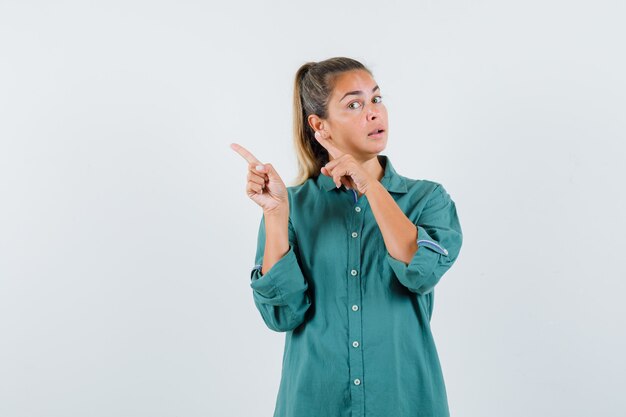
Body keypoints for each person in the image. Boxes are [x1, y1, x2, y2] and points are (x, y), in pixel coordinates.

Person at [230, 57, 463, 417]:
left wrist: (370, 185)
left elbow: (420, 271)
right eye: (354, 104)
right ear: (320, 125)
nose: (373, 113)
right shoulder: (293, 206)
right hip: (313, 404)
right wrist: (276, 214)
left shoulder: (427, 200)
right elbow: (281, 315)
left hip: (403, 403)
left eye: (376, 99)